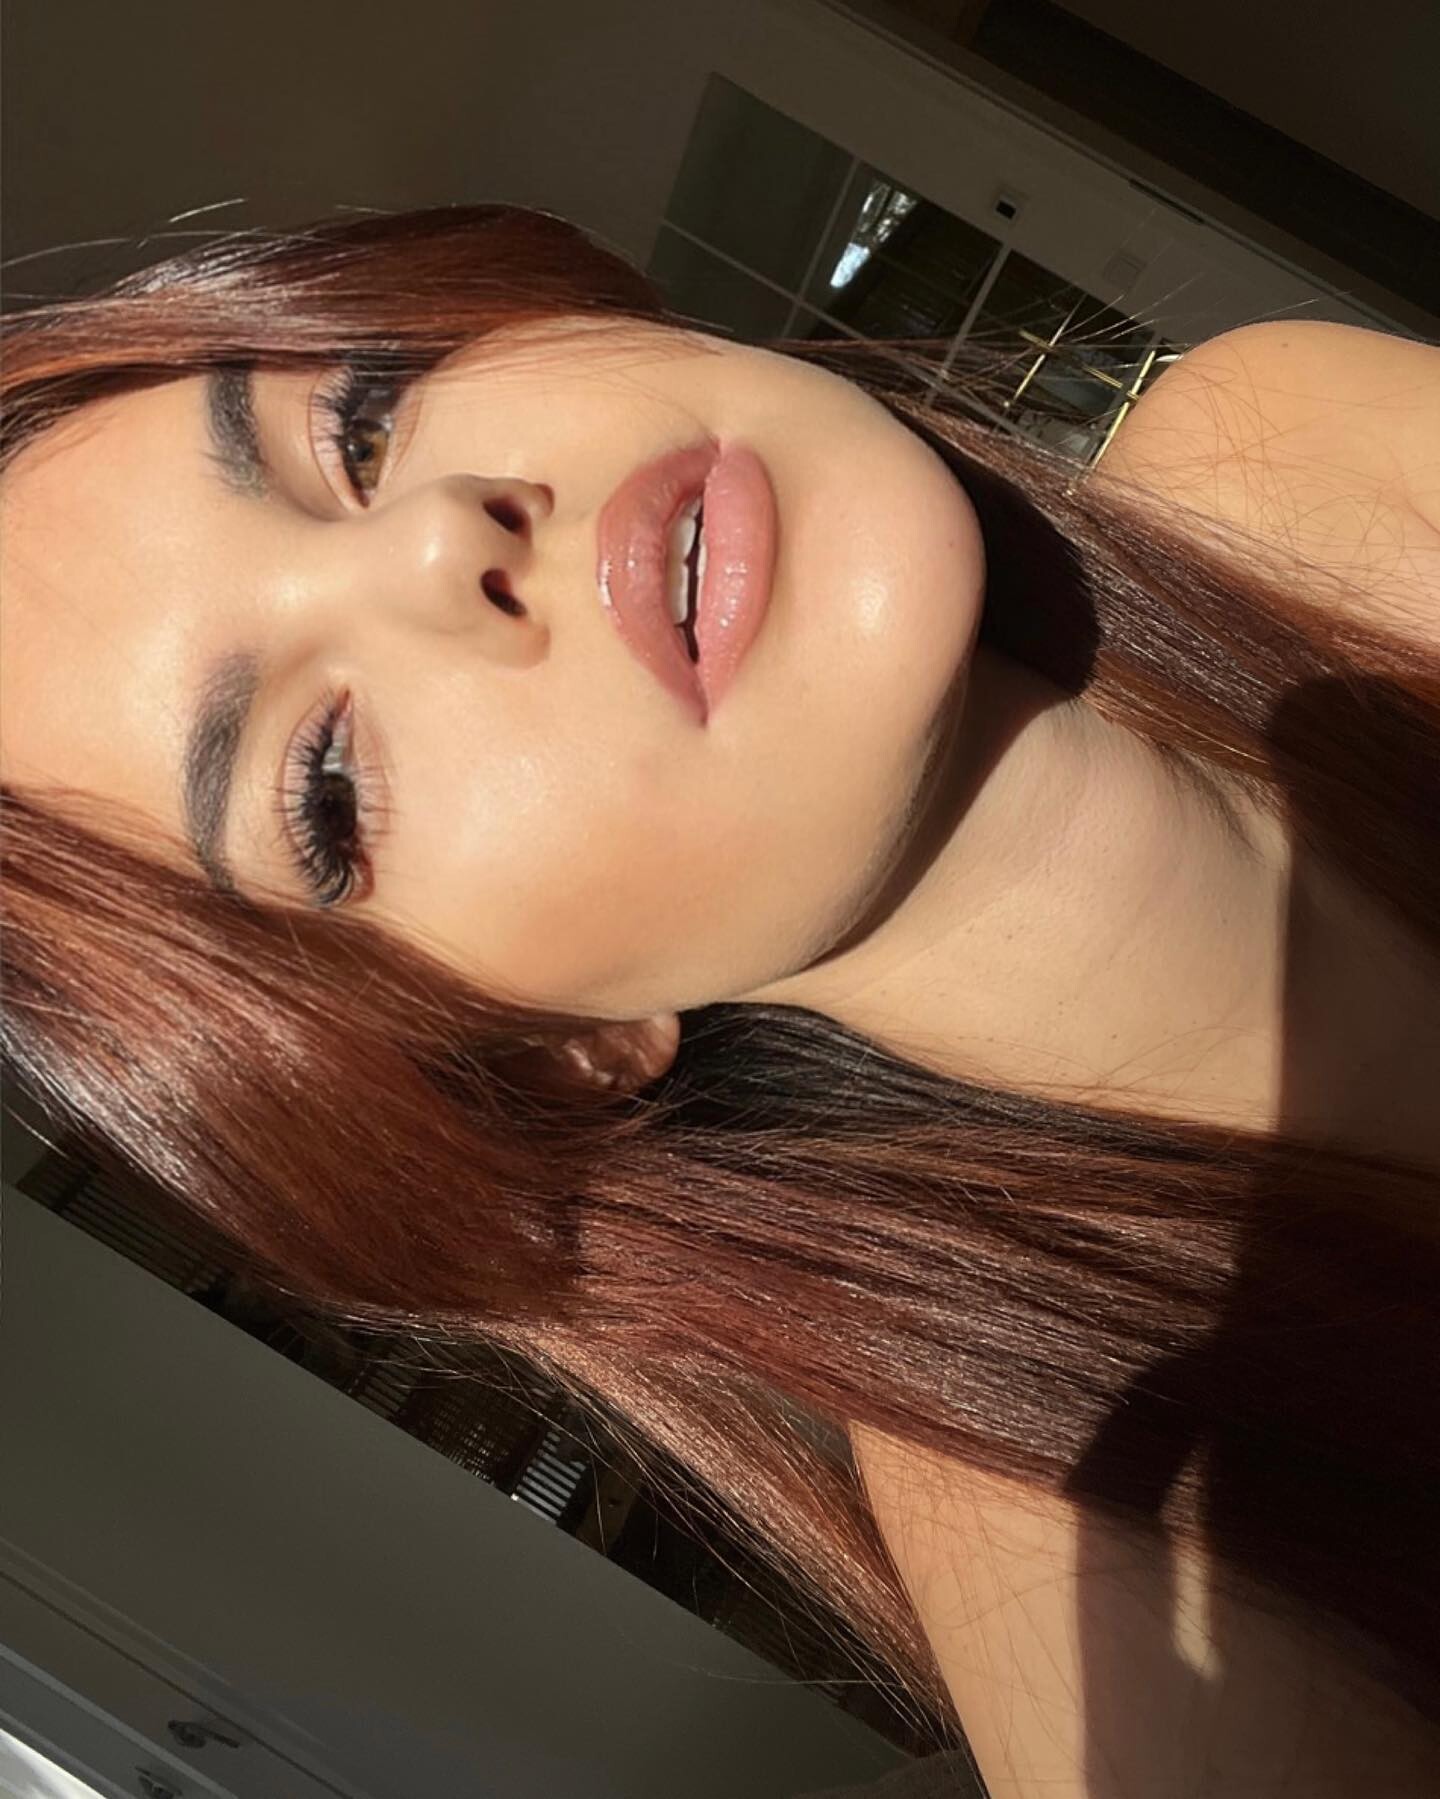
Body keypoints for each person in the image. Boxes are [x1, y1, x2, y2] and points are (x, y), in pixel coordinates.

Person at [3, 203, 1439, 1796]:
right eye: (321, 786)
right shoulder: (1151, 1598)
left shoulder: (1289, 442)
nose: (437, 540)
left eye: (358, 425)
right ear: (551, 1059)